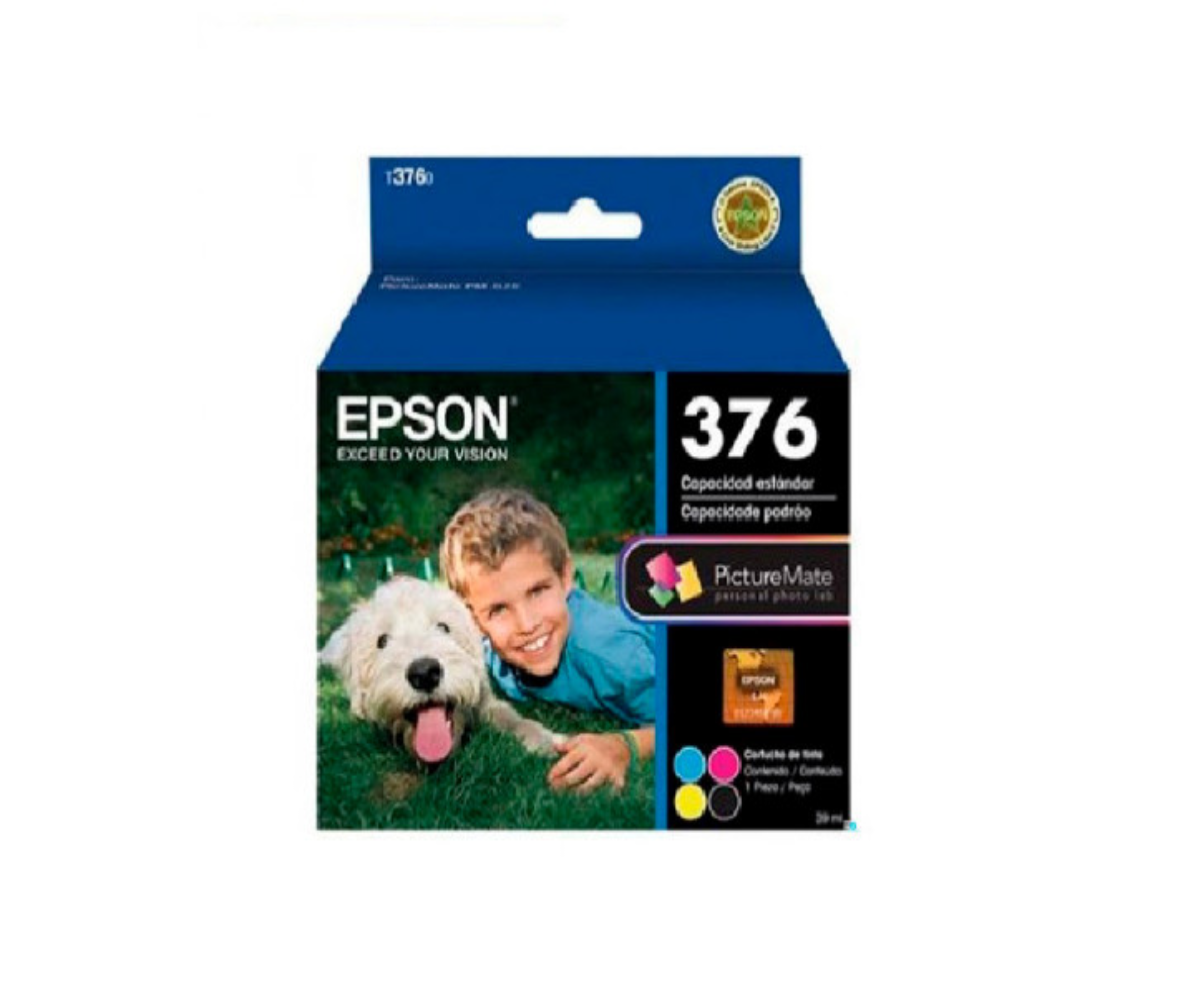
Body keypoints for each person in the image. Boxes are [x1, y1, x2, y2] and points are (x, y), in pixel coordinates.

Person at [440, 488, 654, 793]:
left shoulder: (612, 656)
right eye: (498, 610)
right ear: (473, 619)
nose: (527, 624)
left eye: (537, 591)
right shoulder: (487, 654)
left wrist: (623, 746)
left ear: (566, 577)